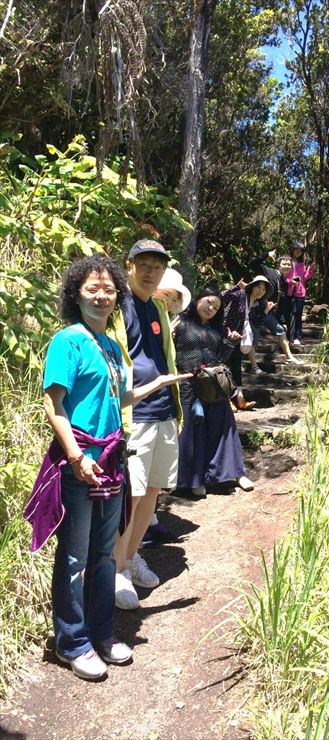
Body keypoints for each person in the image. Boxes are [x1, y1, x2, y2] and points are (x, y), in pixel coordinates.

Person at [24, 254, 189, 680]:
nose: (101, 296)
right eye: (92, 289)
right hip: (79, 462)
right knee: (76, 555)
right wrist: (76, 457)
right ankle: (72, 642)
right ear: (76, 294)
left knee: (101, 555)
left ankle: (101, 633)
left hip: (112, 461)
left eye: (108, 290)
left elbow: (118, 400)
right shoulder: (69, 341)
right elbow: (54, 403)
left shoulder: (112, 347)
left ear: (117, 297)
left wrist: (158, 384)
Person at [110, 239, 184, 610]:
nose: (151, 270)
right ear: (130, 265)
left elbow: (165, 357)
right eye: (144, 263)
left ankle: (132, 555)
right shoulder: (116, 304)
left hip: (163, 411)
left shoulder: (157, 306)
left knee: (153, 492)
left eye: (157, 265)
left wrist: (176, 411)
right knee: (132, 495)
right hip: (133, 413)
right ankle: (117, 570)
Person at [173, 288, 254, 498]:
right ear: (198, 299)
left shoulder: (218, 328)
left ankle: (234, 474)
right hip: (187, 385)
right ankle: (194, 480)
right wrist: (169, 334)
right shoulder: (180, 323)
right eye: (209, 302)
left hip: (213, 383)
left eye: (216, 307)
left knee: (224, 426)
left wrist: (230, 342)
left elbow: (220, 358)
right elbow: (168, 353)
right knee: (193, 433)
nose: (211, 308)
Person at [143, 267, 193, 546]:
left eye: (174, 299)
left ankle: (150, 522)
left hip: (163, 405)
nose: (170, 303)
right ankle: (132, 546)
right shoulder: (139, 312)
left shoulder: (162, 318)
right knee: (138, 484)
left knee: (154, 480)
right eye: (168, 295)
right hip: (140, 407)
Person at [222, 275, 272, 410]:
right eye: (258, 287)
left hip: (240, 337)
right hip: (226, 335)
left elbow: (256, 324)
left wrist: (266, 311)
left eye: (263, 289)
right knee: (224, 367)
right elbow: (221, 298)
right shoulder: (240, 295)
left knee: (236, 367)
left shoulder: (257, 305)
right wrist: (236, 287)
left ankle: (240, 399)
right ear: (252, 286)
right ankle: (226, 400)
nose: (260, 291)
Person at [249, 249, 304, 367]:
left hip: (269, 313)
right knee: (253, 337)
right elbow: (253, 264)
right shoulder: (269, 272)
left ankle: (289, 357)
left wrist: (283, 321)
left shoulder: (284, 282)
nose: (287, 267)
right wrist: (267, 254)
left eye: (289, 265)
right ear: (278, 265)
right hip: (257, 311)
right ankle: (254, 366)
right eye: (284, 264)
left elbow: (282, 302)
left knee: (280, 330)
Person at [287, 241, 314, 345]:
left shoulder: (302, 264)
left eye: (300, 251)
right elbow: (283, 276)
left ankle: (297, 337)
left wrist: (310, 269)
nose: (298, 252)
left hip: (300, 292)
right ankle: (288, 336)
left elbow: (305, 278)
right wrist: (290, 282)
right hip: (288, 291)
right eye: (296, 250)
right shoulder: (287, 261)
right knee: (288, 314)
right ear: (292, 250)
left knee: (298, 315)